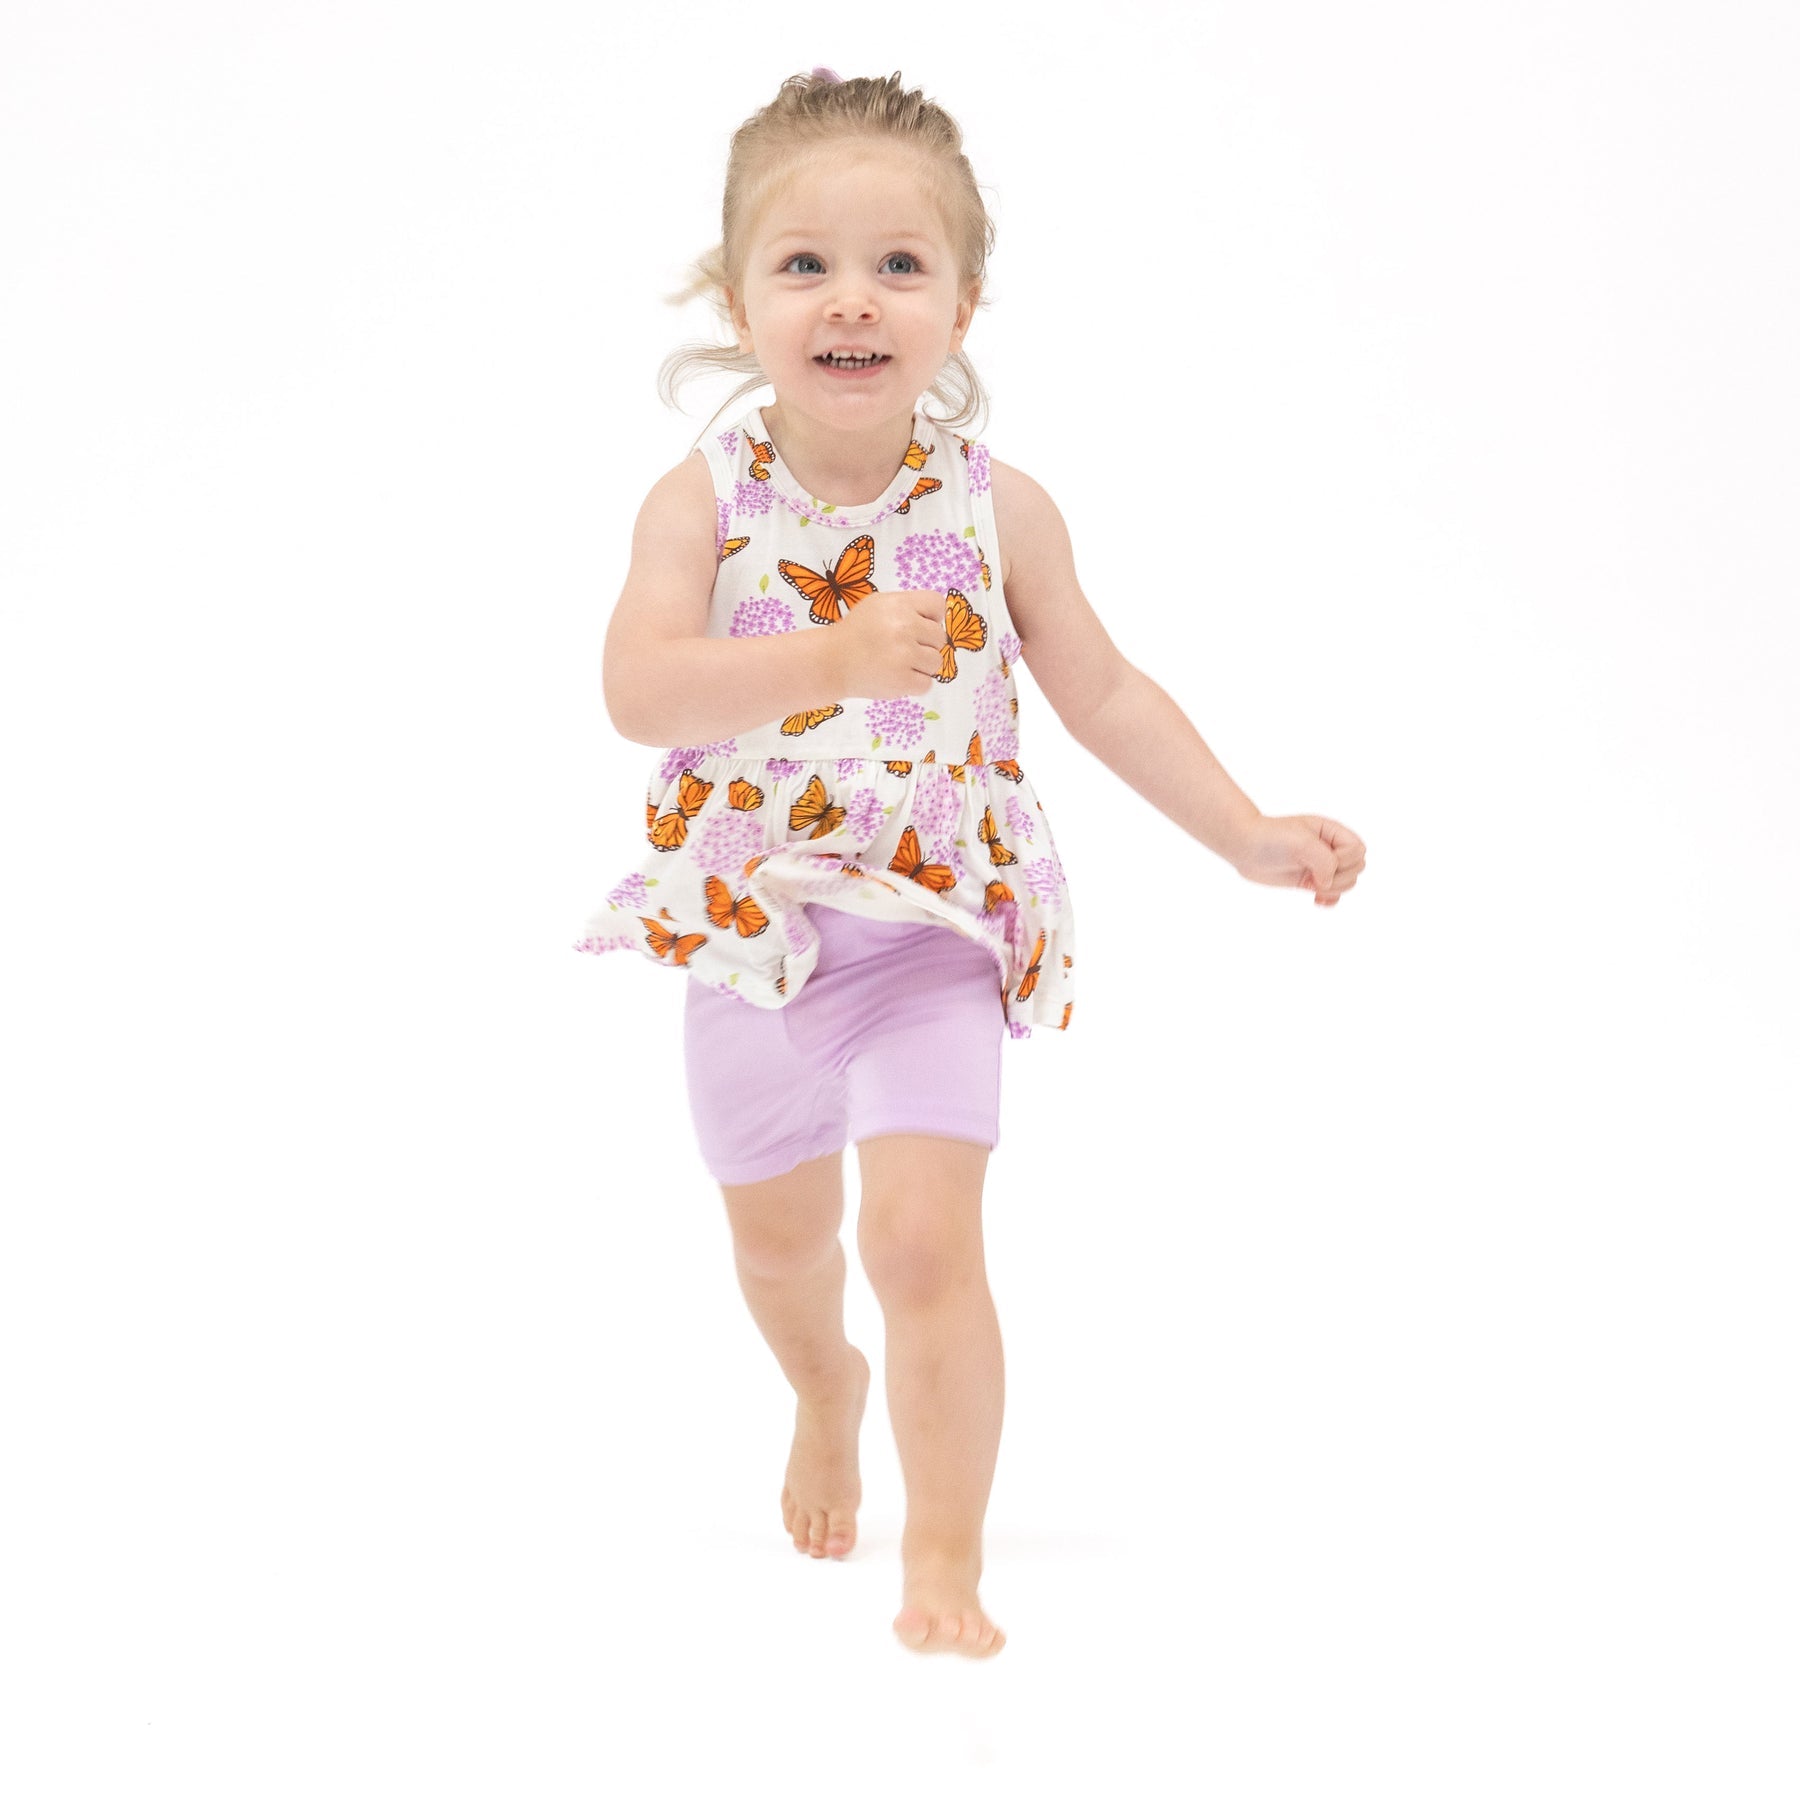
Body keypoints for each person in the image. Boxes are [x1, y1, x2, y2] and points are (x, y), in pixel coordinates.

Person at [573, 68, 1367, 1659]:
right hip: (750, 932)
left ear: (963, 302)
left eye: (899, 264)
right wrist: (828, 656)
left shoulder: (1002, 512)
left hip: (932, 929)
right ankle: (826, 1391)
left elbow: (1104, 693)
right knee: (780, 1247)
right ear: (738, 301)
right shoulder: (702, 502)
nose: (851, 299)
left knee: (921, 1239)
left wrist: (1246, 833)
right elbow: (638, 691)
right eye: (804, 264)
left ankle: (943, 1556)